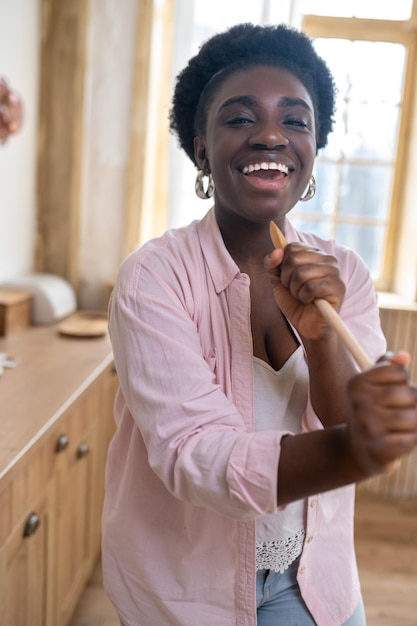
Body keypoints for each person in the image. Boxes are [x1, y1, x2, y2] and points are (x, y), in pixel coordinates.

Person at [102, 23, 417, 626]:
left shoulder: (344, 270)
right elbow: (193, 454)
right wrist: (352, 452)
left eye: (295, 121)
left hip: (317, 577)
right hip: (186, 590)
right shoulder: (154, 278)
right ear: (201, 149)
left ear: (313, 150)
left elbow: (347, 419)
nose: (270, 133)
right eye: (240, 118)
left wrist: (323, 342)